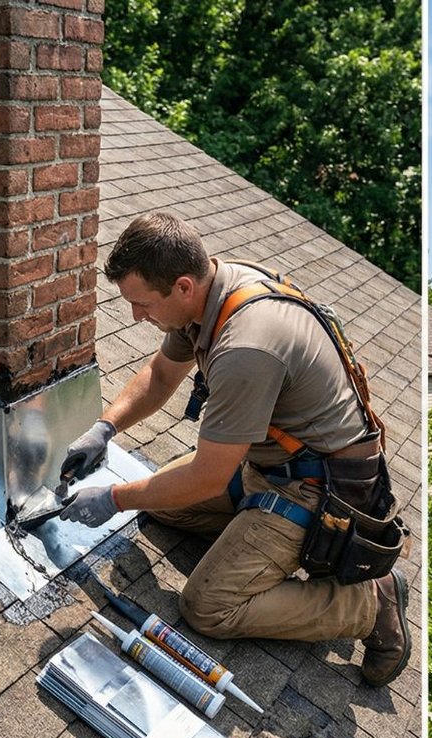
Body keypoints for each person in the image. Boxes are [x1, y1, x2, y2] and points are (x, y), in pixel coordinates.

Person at [55, 212, 410, 687]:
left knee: (208, 606)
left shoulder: (248, 347)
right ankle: (254, 533)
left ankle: (370, 602)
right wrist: (105, 426)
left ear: (182, 286)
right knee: (165, 508)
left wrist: (114, 499)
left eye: (142, 305)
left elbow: (205, 475)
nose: (136, 317)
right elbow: (161, 376)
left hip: (317, 493)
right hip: (266, 465)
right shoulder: (210, 292)